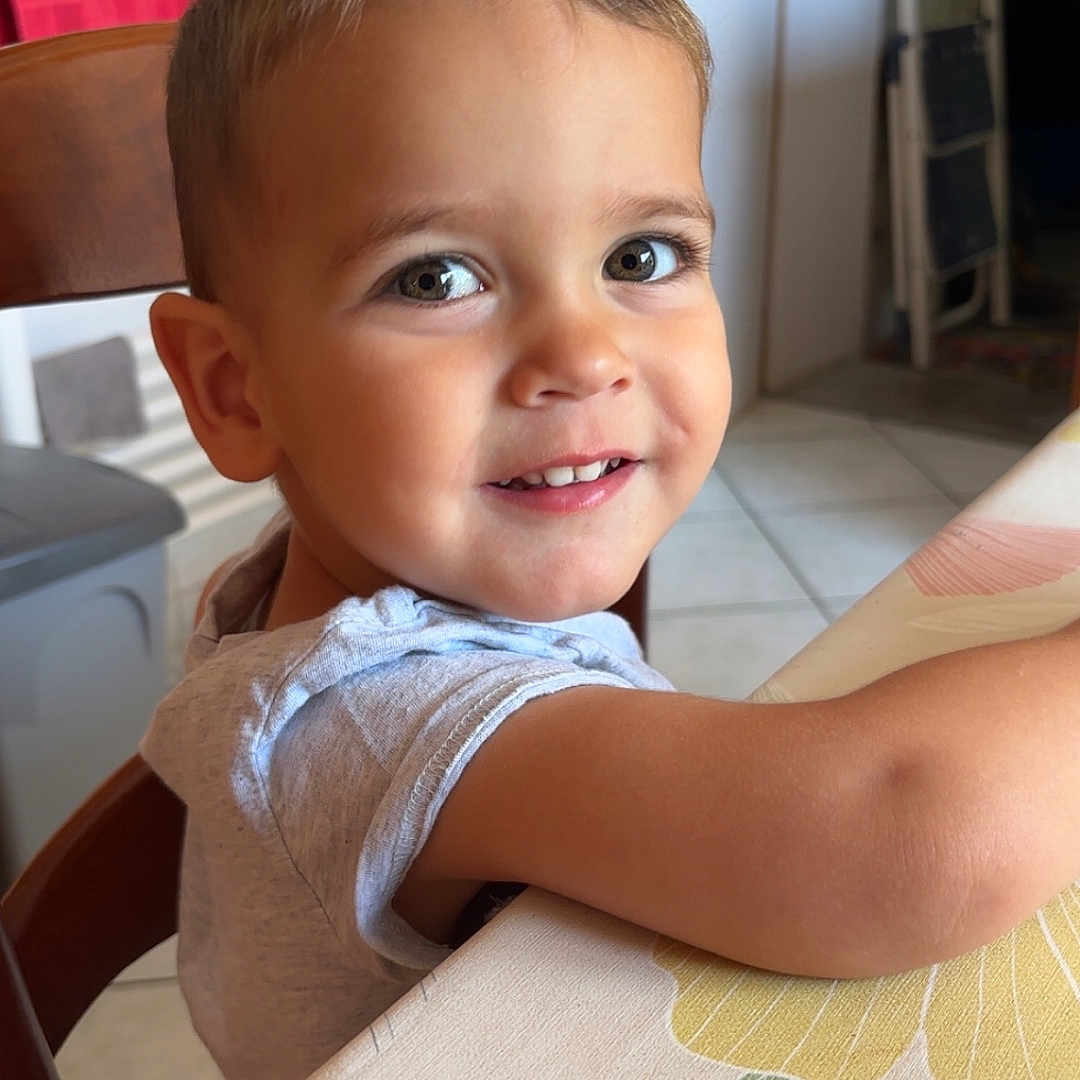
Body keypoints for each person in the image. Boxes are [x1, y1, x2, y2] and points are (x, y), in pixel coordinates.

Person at [142, 0, 1080, 1076]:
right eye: (435, 277)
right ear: (235, 390)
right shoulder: (365, 716)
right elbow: (894, 835)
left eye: (642, 254)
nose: (585, 357)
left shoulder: (347, 567)